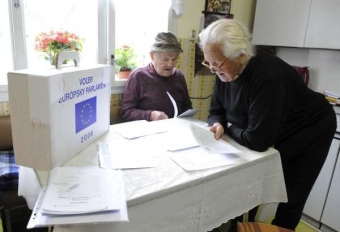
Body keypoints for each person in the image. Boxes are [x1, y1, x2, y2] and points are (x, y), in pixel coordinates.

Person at [198, 19, 336, 231]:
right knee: (253, 181)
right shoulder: (222, 67)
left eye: (217, 63)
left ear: (241, 56)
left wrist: (230, 126)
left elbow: (258, 141)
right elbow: (216, 110)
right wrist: (217, 123)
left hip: (310, 127)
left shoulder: (267, 76)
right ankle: (242, 224)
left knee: (293, 193)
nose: (213, 69)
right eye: (208, 63)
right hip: (271, 127)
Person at [120, 32, 193, 122]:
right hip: (148, 132)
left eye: (174, 59)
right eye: (165, 59)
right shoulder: (138, 76)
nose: (170, 64)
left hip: (175, 130)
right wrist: (150, 115)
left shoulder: (179, 76)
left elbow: (187, 107)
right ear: (152, 56)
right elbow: (126, 112)